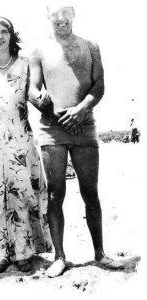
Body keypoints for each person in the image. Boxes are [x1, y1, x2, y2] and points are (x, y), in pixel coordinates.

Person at [29, 4, 125, 277]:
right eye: (55, 14)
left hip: (85, 126)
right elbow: (33, 89)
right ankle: (60, 257)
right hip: (52, 128)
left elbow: (99, 85)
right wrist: (46, 107)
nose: (61, 20)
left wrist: (81, 110)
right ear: (48, 16)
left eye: (65, 13)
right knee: (55, 194)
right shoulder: (38, 50)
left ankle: (100, 254)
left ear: (73, 14)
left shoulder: (90, 46)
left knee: (90, 194)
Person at [0, 16, 52, 273]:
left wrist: (45, 98)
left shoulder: (27, 64)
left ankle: (23, 252)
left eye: (3, 31)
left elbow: (37, 97)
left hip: (20, 138)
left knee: (22, 193)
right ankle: (3, 253)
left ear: (11, 35)